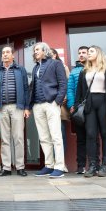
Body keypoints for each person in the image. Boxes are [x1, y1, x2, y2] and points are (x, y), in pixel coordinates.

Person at [75, 46, 106, 178]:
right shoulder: (84, 70)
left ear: (98, 53)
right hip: (89, 104)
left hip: (104, 103)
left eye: (91, 51)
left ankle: (104, 165)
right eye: (88, 52)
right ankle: (93, 165)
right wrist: (77, 105)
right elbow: (79, 90)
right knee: (90, 134)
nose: (88, 54)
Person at [0, 45, 30, 177]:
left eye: (8, 52)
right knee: (4, 139)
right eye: (3, 53)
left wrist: (26, 107)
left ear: (13, 55)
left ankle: (20, 167)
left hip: (17, 107)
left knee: (18, 138)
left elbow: (26, 89)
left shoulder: (21, 70)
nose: (5, 54)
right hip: (1, 108)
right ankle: (6, 168)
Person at [30, 42, 67, 178]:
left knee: (56, 136)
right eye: (34, 50)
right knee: (44, 138)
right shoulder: (35, 68)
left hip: (51, 103)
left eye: (37, 49)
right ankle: (49, 165)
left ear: (45, 50)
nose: (35, 52)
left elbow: (63, 83)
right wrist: (31, 104)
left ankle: (59, 166)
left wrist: (57, 101)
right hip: (37, 105)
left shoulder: (56, 63)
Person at [67, 46, 89, 174]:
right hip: (78, 108)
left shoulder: (94, 69)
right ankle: (81, 166)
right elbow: (70, 89)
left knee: (92, 137)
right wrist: (71, 105)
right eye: (79, 53)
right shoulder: (74, 71)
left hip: (92, 108)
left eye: (84, 52)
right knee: (80, 139)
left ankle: (94, 164)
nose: (81, 55)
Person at [50, 48, 70, 155]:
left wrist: (64, 96)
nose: (51, 56)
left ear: (56, 55)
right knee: (49, 135)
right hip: (47, 103)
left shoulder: (63, 66)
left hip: (59, 103)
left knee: (60, 133)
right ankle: (52, 161)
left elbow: (67, 83)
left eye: (52, 54)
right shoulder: (44, 67)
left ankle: (62, 162)